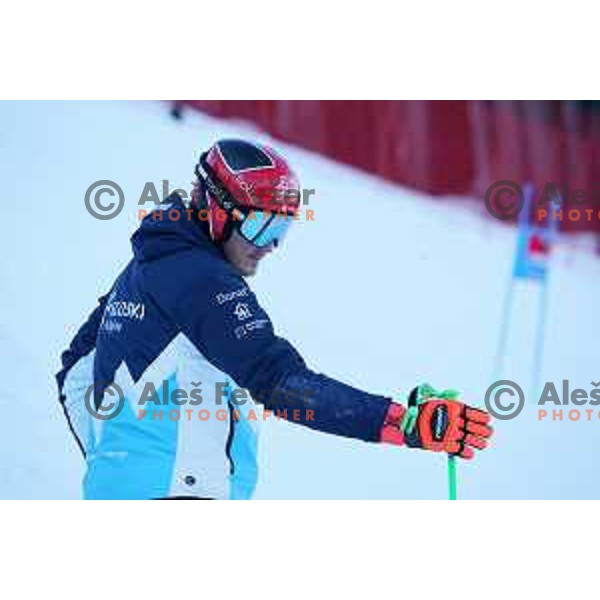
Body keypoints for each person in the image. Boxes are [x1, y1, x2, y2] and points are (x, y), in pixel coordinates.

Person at [56, 138, 494, 500]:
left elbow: (74, 373)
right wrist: (407, 424)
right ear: (217, 208)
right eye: (261, 227)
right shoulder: (201, 279)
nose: (270, 246)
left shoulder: (148, 268)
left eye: (281, 231)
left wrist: (113, 468)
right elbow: (279, 381)